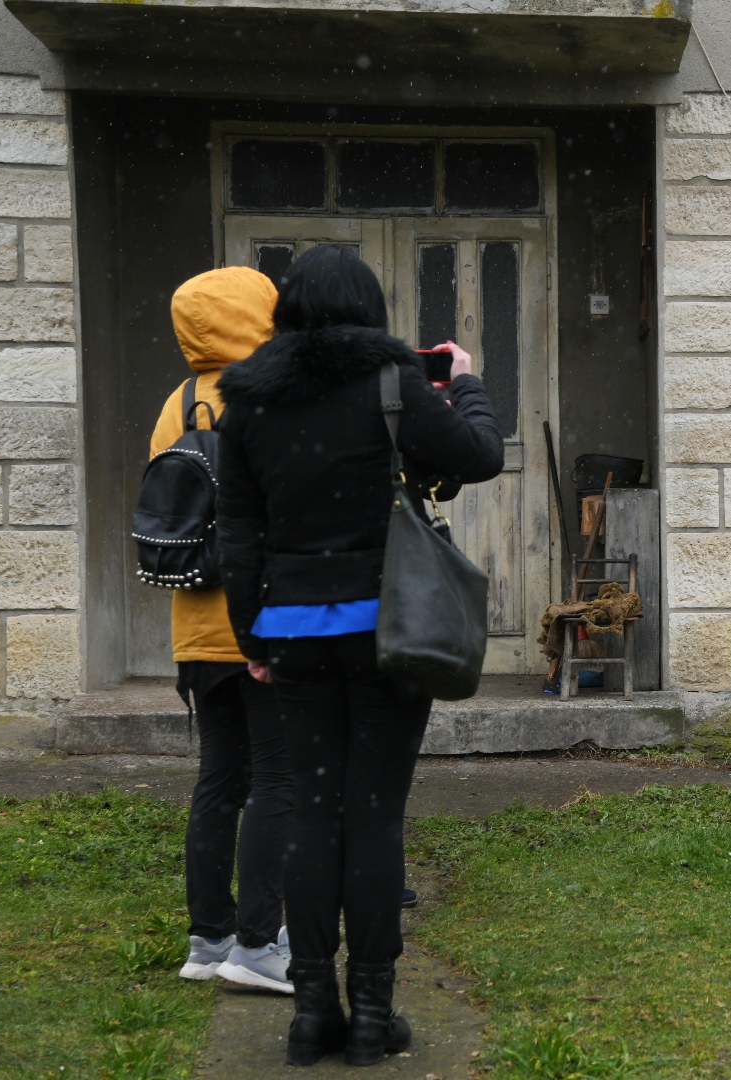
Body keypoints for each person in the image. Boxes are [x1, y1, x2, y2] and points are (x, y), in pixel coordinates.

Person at [216, 245, 504, 1067]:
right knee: (372, 817)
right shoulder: (392, 382)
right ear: (368, 309)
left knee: (313, 816)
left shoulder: (248, 404)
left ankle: (313, 1013)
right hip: (388, 633)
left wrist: (253, 638)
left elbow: (239, 531)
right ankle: (373, 1015)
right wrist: (469, 381)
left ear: (287, 313)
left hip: (295, 636)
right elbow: (477, 457)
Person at [160, 267, 296, 994]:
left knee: (218, 781)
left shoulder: (177, 402)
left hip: (193, 624)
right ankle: (258, 944)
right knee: (277, 780)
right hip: (259, 620)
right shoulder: (266, 399)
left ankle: (207, 938)